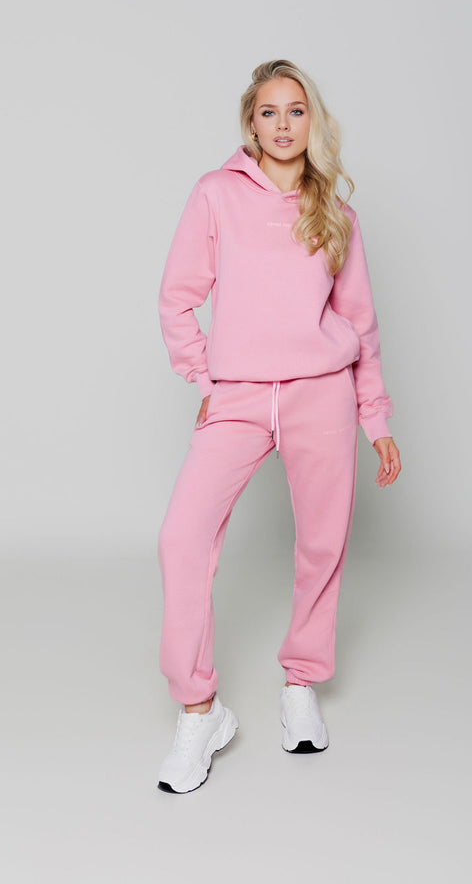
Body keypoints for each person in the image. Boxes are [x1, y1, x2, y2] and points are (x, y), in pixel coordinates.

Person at [156, 59, 401, 794]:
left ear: (311, 121)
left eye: (296, 110)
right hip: (237, 395)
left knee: (322, 542)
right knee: (181, 538)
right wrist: (205, 377)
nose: (283, 124)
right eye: (269, 111)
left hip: (321, 394)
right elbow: (176, 296)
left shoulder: (337, 215)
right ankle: (199, 710)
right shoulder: (215, 194)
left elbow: (361, 323)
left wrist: (375, 418)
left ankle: (301, 683)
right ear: (250, 122)